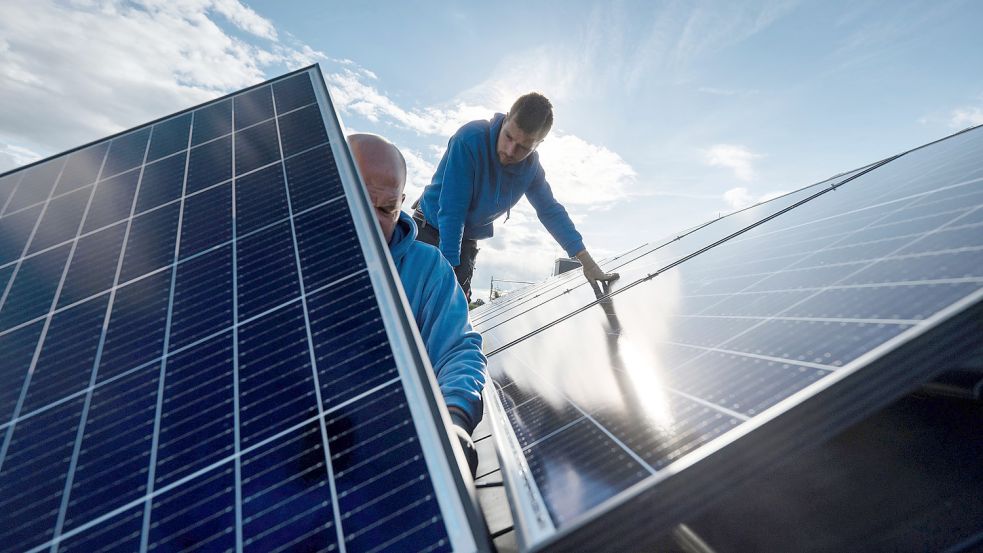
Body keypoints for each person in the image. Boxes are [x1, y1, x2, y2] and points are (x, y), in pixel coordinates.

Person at [347, 133, 486, 477]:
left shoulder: (427, 269)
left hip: (385, 456)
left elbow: (457, 350)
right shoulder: (285, 259)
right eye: (360, 201)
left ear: (402, 203)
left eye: (386, 209)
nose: (373, 220)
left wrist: (453, 421)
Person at [414, 92, 619, 299]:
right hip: (430, 229)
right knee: (423, 304)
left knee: (453, 314)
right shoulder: (469, 139)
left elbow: (550, 211)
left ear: (539, 143)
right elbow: (453, 209)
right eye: (508, 137)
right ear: (506, 117)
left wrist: (588, 263)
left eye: (523, 147)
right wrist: (448, 271)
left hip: (467, 240)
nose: (511, 151)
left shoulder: (531, 169)